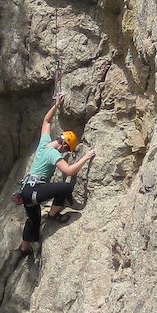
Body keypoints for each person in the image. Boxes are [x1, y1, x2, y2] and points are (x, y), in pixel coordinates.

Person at [18, 94, 96, 257]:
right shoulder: (53, 154)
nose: (66, 152)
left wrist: (56, 105)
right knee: (64, 187)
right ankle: (53, 215)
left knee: (34, 220)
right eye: (67, 149)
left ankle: (24, 249)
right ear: (65, 146)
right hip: (35, 189)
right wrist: (85, 158)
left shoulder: (44, 143)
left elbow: (46, 121)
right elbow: (68, 171)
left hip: (26, 190)